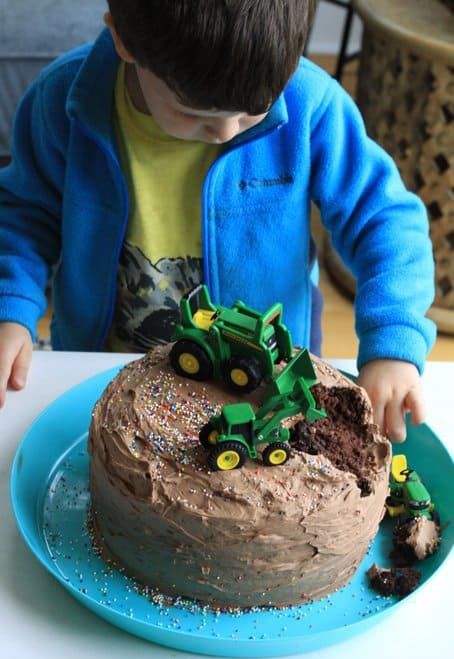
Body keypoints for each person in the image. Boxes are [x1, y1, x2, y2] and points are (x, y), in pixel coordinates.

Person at [0, 0, 436, 441]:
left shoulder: (311, 106)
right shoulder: (63, 101)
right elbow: (22, 214)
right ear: (123, 40)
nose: (228, 132)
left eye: (255, 110)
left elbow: (385, 219)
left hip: (263, 383)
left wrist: (392, 341)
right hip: (102, 374)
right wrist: (10, 307)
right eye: (195, 114)